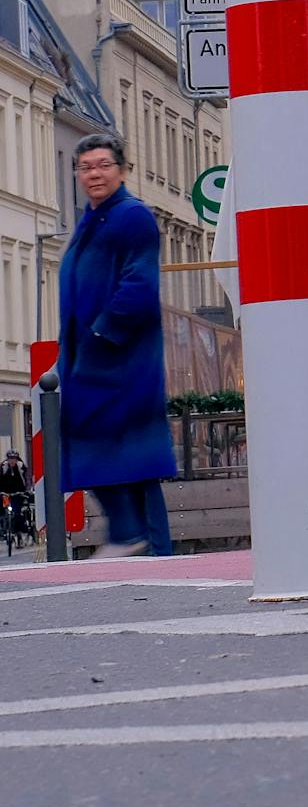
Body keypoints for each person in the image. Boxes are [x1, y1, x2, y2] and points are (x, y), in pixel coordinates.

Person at [57, 132, 177, 556]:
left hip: (121, 358)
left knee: (109, 445)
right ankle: (147, 548)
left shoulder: (131, 216)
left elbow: (139, 285)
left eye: (104, 165)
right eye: (86, 167)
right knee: (126, 455)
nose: (94, 174)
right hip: (94, 357)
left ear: (122, 171)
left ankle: (132, 537)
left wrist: (100, 336)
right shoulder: (93, 220)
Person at [0, 447, 28, 541]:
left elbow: (26, 479)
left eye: (14, 458)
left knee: (17, 513)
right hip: (5, 493)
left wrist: (26, 490)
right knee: (2, 509)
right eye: (10, 458)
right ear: (7, 459)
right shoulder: (3, 467)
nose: (12, 460)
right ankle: (2, 528)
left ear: (17, 459)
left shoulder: (21, 467)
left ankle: (18, 532)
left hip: (18, 493)